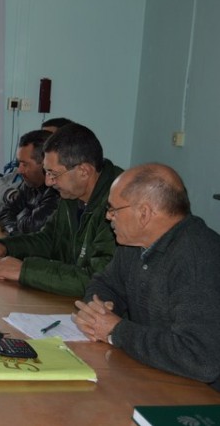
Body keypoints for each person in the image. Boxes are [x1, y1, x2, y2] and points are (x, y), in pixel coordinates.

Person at [73, 164, 220, 390]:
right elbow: (105, 283)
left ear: (144, 213)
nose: (108, 216)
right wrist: (99, 310)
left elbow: (200, 359)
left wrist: (115, 330)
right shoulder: (134, 242)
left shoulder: (196, 260)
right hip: (155, 373)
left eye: (113, 209)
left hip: (200, 397)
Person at [0, 123, 121, 296]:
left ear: (84, 171)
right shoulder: (72, 192)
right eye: (46, 172)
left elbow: (97, 280)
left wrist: (25, 270)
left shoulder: (119, 205)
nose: (48, 182)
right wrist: (4, 247)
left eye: (53, 174)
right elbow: (49, 239)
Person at [0, 117, 71, 219]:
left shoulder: (58, 189)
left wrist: (17, 208)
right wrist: (11, 195)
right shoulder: (21, 170)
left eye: (50, 138)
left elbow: (32, 226)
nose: (44, 143)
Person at [0, 129, 59, 235]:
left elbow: (31, 228)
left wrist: (19, 215)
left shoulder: (57, 191)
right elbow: (4, 213)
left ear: (45, 163)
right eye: (18, 163)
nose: (19, 170)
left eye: (24, 164)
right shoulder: (28, 184)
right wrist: (13, 231)